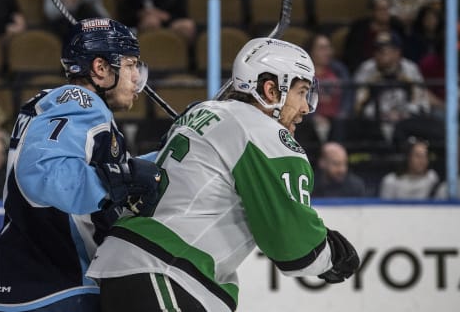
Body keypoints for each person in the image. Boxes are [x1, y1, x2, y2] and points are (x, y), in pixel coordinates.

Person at [87, 38, 360, 312]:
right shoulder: (264, 134)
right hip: (167, 268)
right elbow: (294, 249)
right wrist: (332, 255)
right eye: (301, 93)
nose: (304, 108)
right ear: (271, 90)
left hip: (136, 264)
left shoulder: (201, 113)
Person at [0, 18, 161, 312]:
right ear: (100, 69)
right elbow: (41, 174)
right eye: (130, 65)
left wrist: (169, 151)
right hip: (52, 288)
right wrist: (121, 181)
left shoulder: (62, 105)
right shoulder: (82, 102)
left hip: (23, 286)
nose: (137, 78)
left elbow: (115, 175)